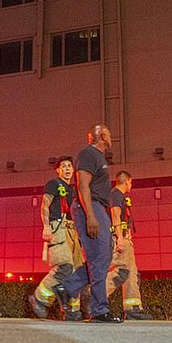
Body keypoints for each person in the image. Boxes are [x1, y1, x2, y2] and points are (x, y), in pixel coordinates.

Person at [54, 124, 122, 323]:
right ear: (101, 136)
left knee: (102, 256)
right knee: (100, 256)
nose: (111, 137)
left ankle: (66, 289)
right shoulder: (88, 154)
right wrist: (90, 215)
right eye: (109, 133)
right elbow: (83, 184)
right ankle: (100, 310)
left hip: (98, 207)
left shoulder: (99, 158)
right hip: (89, 206)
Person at [29, 156, 85, 320]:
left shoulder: (74, 189)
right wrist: (46, 226)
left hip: (72, 230)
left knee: (78, 272)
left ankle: (71, 310)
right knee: (65, 267)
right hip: (57, 227)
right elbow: (45, 205)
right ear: (58, 170)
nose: (67, 169)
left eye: (69, 166)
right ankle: (39, 298)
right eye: (64, 166)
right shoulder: (54, 184)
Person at [106, 170, 153, 320]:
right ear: (127, 181)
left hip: (125, 238)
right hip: (119, 238)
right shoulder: (115, 194)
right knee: (122, 271)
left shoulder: (120, 196)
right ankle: (94, 295)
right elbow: (115, 214)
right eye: (131, 182)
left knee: (131, 273)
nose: (131, 185)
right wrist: (119, 237)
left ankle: (133, 309)